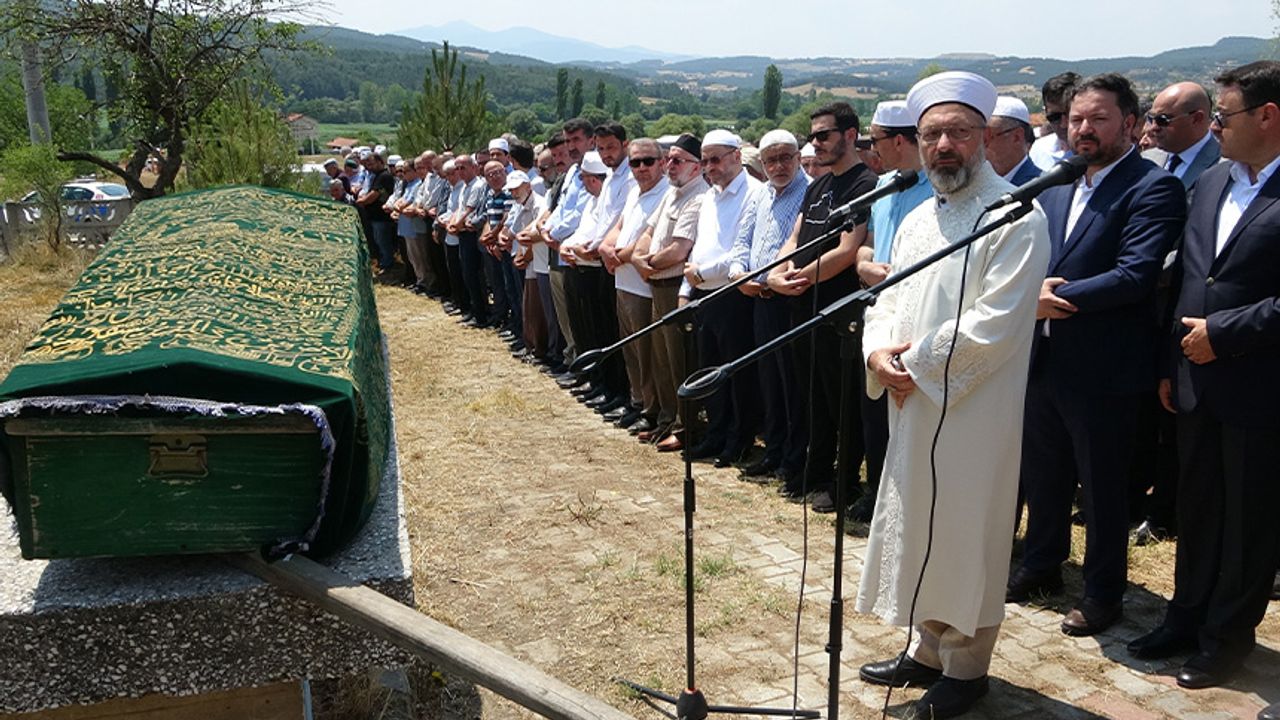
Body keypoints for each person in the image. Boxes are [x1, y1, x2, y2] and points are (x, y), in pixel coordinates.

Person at [855, 70, 1051, 720]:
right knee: (921, 529)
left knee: (968, 535)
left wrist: (912, 364)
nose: (944, 145)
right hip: (914, 402)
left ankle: (967, 671)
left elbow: (995, 325)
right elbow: (889, 300)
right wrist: (878, 351)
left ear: (985, 138)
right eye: (933, 133)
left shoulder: (1016, 216)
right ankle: (927, 649)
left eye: (958, 133)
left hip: (974, 411)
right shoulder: (916, 219)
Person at [1126, 64, 1280, 714]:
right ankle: (1184, 617)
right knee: (1197, 508)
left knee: (1248, 519)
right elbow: (1191, 279)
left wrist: (1226, 332)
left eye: (1226, 115)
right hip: (1192, 378)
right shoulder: (1212, 180)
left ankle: (1227, 637)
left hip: (1259, 384)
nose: (1214, 125)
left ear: (1268, 117)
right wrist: (1171, 361)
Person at [1009, 73, 1186, 638]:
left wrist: (1047, 298)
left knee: (1103, 487)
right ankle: (1042, 565)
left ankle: (1103, 590)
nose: (1082, 129)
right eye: (1075, 119)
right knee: (1044, 474)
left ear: (1131, 125)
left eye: (1098, 119)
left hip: (1105, 368)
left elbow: (1135, 276)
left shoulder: (1151, 187)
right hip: (1042, 360)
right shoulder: (1058, 183)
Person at [766, 102, 878, 510]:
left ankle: (844, 482)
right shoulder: (817, 185)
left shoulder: (866, 184)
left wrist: (800, 277)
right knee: (810, 398)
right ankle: (812, 474)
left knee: (842, 404)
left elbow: (849, 250)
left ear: (850, 135)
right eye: (812, 136)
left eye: (823, 135)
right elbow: (794, 237)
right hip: (803, 307)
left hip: (839, 312)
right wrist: (777, 272)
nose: (815, 144)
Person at [850, 99, 934, 522]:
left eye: (875, 140)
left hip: (916, 320)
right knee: (872, 413)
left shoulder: (936, 190)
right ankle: (876, 490)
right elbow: (868, 243)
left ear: (899, 140)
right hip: (878, 315)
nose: (871, 148)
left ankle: (907, 501)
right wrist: (864, 264)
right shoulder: (884, 189)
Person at [727, 129, 809, 481]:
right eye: (770, 160)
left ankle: (795, 458)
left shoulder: (809, 192)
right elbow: (742, 240)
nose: (777, 166)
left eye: (784, 158)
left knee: (793, 385)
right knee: (769, 383)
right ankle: (774, 452)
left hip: (790, 300)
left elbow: (797, 247)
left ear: (797, 158)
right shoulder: (760, 194)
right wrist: (737, 273)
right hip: (757, 298)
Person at [680, 129, 763, 467]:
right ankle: (715, 434)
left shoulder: (755, 194)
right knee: (708, 372)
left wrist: (700, 273)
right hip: (704, 294)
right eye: (705, 160)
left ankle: (738, 439)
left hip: (733, 295)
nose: (709, 167)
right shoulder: (709, 196)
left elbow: (742, 252)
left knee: (737, 374)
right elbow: (699, 246)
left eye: (715, 159)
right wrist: (688, 289)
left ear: (736, 157)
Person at [631, 133, 708, 451]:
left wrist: (645, 263)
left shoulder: (698, 196)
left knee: (679, 361)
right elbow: (649, 232)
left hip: (676, 286)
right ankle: (665, 420)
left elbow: (678, 251)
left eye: (677, 160)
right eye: (670, 159)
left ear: (696, 166)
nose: (670, 165)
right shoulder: (671, 193)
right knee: (660, 359)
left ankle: (686, 426)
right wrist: (640, 257)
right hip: (657, 282)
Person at [597, 138, 670, 433]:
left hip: (644, 285)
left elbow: (645, 239)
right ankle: (637, 402)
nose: (641, 168)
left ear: (662, 162)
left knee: (649, 354)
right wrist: (606, 246)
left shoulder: (665, 193)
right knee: (630, 349)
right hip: (623, 280)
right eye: (635, 162)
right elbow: (620, 226)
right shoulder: (633, 192)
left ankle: (652, 411)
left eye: (648, 161)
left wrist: (617, 255)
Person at [1029, 71, 1079, 171]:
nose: (1063, 125)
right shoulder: (1039, 150)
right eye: (1054, 117)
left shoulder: (1100, 153)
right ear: (1045, 112)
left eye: (1070, 116)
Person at [987, 96, 1041, 185]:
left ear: (1017, 137)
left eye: (988, 136)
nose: (980, 145)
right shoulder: (974, 187)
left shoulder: (1043, 189)